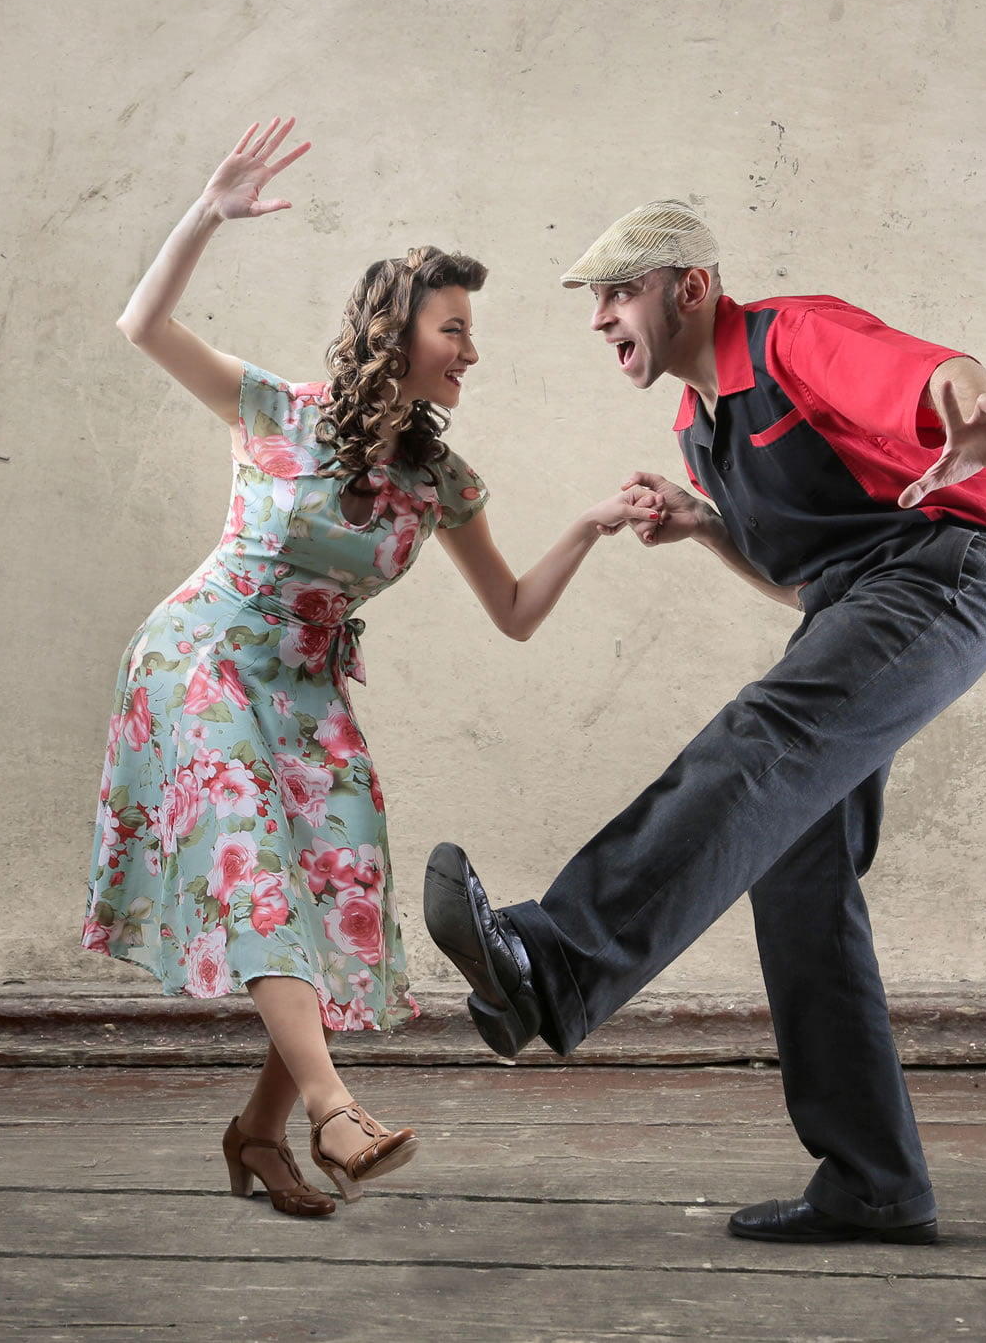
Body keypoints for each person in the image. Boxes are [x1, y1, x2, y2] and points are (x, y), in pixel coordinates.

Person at [422, 199, 986, 1245]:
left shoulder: (788, 337)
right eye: (593, 301)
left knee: (765, 740)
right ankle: (874, 1184)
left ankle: (557, 959)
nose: (599, 320)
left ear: (689, 288)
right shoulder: (696, 427)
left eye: (618, 293)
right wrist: (707, 530)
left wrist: (975, 411)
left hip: (947, 574)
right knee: (796, 861)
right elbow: (803, 586)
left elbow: (927, 370)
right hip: (861, 607)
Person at [85, 120, 659, 1216]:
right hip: (201, 658)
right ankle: (334, 1110)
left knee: (345, 886)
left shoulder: (442, 483)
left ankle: (256, 1133)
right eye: (456, 329)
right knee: (256, 863)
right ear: (398, 332)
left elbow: (515, 612)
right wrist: (208, 213)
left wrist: (588, 525)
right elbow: (142, 323)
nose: (471, 353)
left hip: (303, 689)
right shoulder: (278, 413)